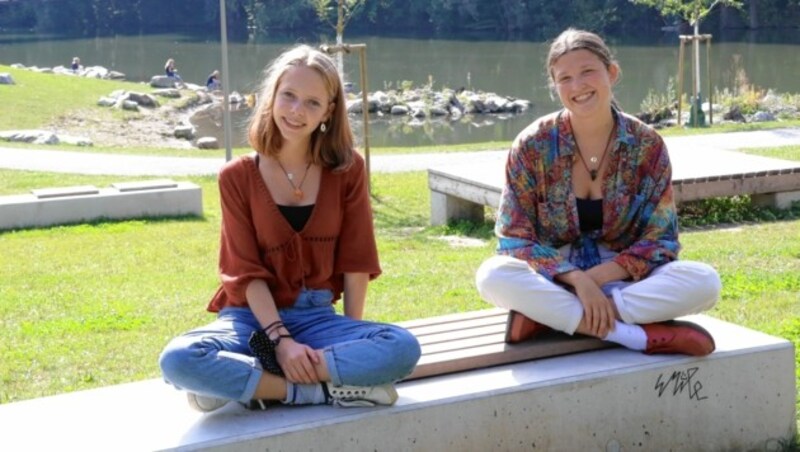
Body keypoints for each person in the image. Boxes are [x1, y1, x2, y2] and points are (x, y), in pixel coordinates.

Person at [159, 44, 421, 413]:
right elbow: (245, 272)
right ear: (272, 97)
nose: (297, 111)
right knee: (179, 359)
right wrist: (282, 342)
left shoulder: (348, 170)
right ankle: (314, 392)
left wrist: (347, 342)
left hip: (317, 317)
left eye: (313, 103)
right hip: (249, 317)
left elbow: (356, 261)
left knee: (402, 347)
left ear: (329, 111)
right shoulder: (236, 177)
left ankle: (254, 384)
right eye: (289, 96)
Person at [475, 29, 721, 357]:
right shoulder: (533, 145)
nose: (578, 86)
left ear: (612, 73)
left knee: (704, 282)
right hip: (556, 274)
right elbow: (513, 239)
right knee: (492, 276)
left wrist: (597, 279)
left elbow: (661, 240)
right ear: (555, 86)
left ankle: (549, 318)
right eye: (565, 78)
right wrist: (576, 279)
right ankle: (633, 336)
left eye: (587, 72)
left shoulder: (646, 145)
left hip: (623, 274)